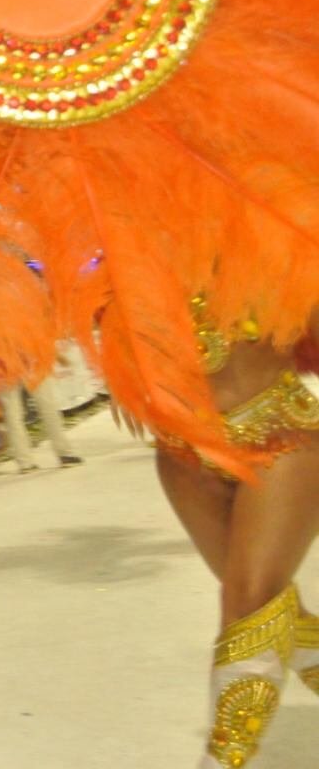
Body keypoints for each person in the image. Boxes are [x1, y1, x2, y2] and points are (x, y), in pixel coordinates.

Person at [153, 303, 319, 767]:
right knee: (267, 612)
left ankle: (222, 762)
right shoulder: (113, 234)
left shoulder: (281, 231)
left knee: (246, 602)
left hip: (280, 433)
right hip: (182, 454)